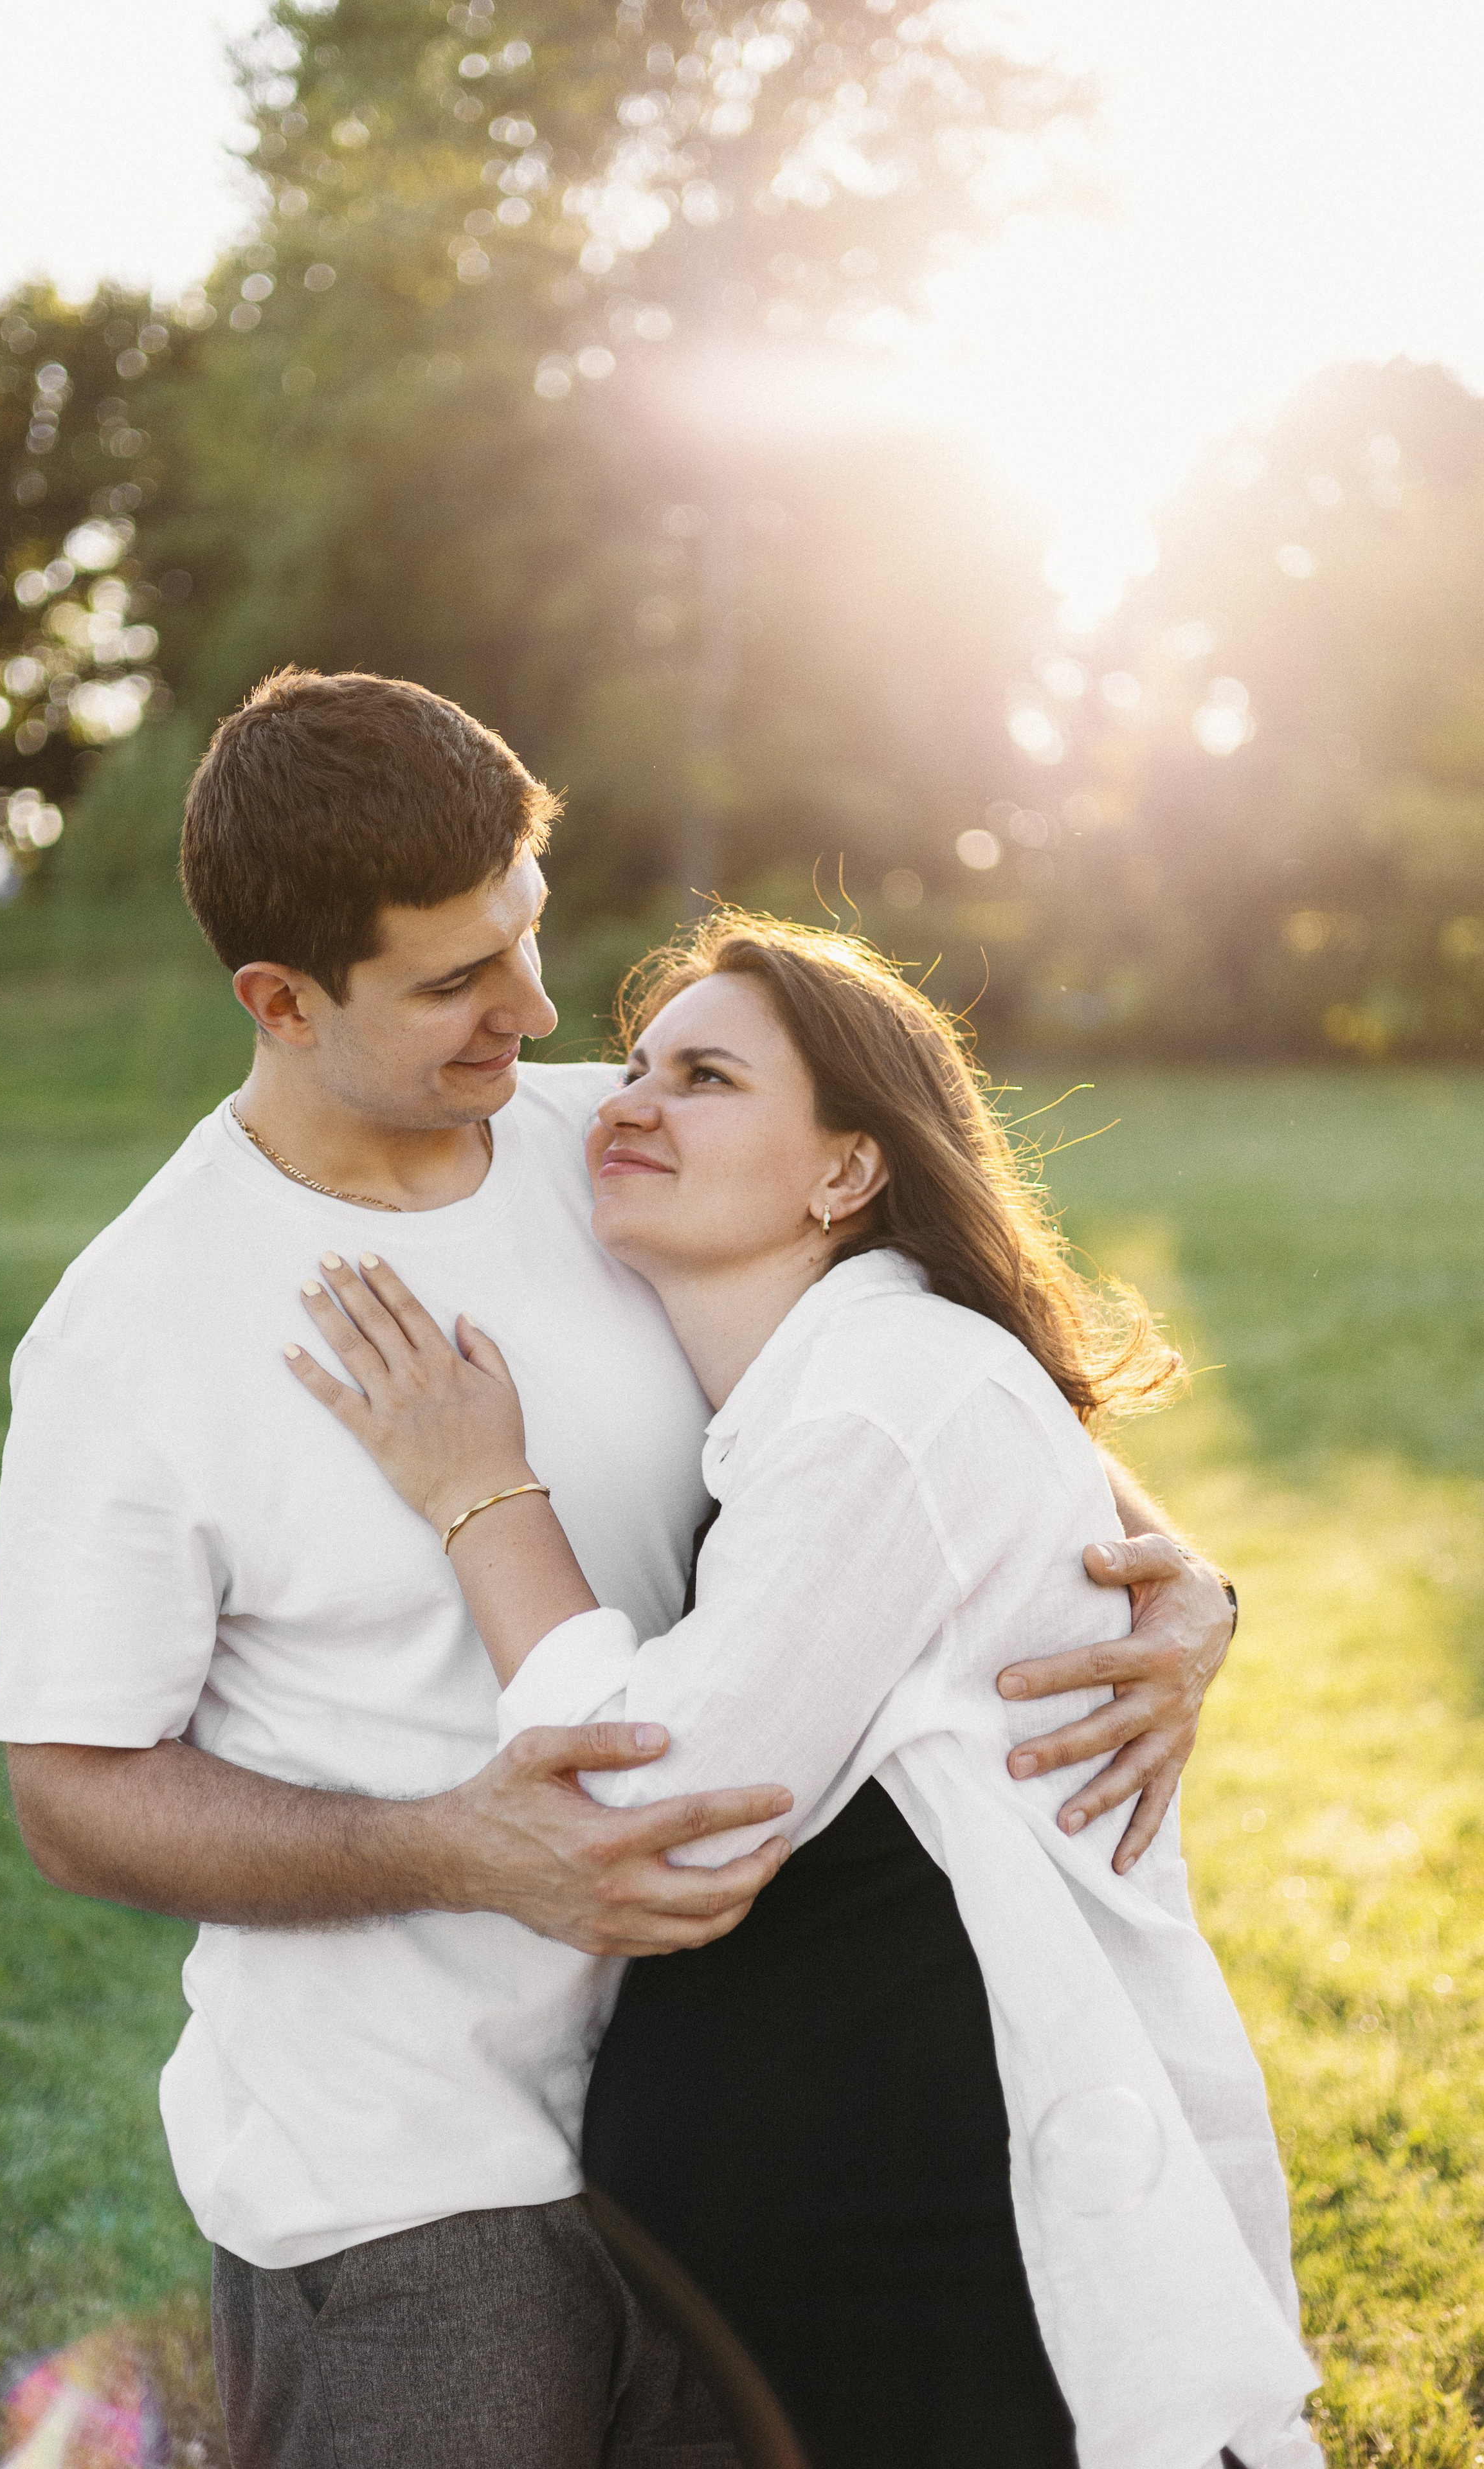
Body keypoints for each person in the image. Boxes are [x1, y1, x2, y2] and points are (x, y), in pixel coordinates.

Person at [0, 670, 1239, 2469]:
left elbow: (924, 1404)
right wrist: (450, 1844)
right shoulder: (141, 1330)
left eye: (529, 935)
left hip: (735, 2129)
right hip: (418, 2181)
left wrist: (1189, 1582)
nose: (541, 1009)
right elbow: (68, 1796)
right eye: (455, 983)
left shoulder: (628, 1146)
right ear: (278, 1000)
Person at [282, 908, 1322, 2469]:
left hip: (951, 2254)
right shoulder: (833, 1389)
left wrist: (480, 1495)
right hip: (839, 2277)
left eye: (702, 1076)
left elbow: (649, 1812)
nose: (626, 1100)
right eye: (630, 1064)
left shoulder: (887, 1392)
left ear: (847, 1172)